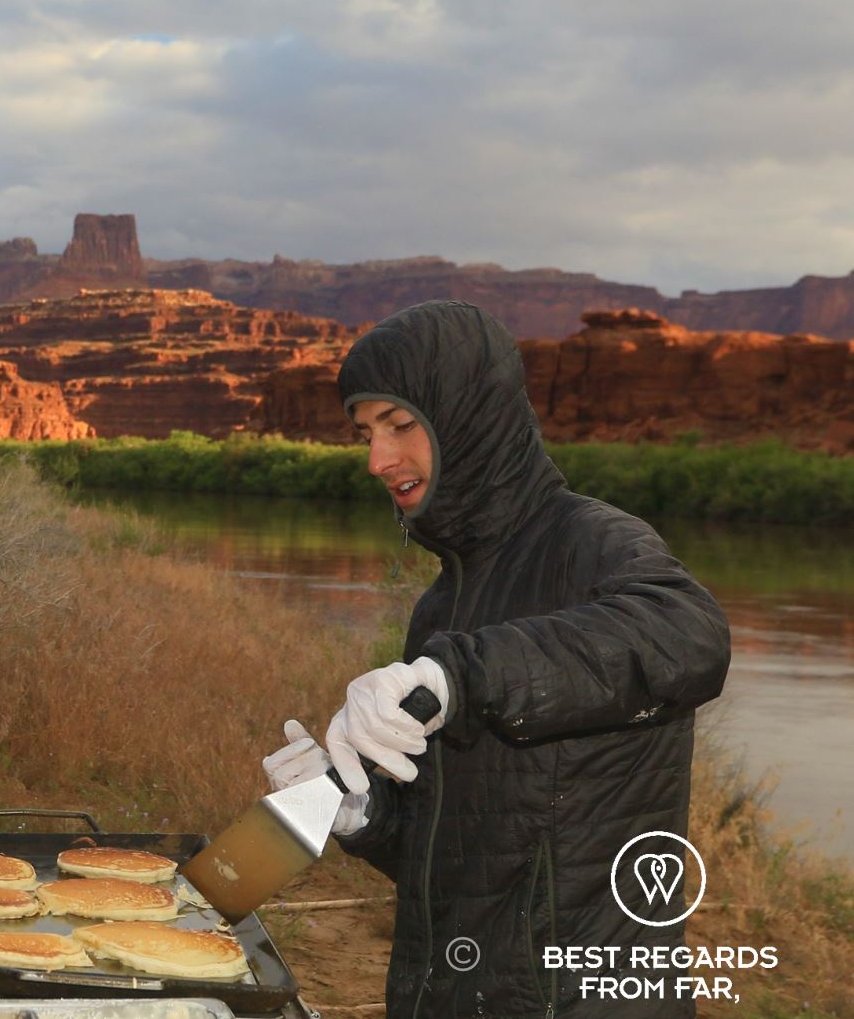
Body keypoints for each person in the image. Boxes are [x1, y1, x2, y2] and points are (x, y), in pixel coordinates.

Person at [262, 300, 730, 1018]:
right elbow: (451, 854)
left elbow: (689, 634)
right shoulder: (441, 606)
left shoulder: (593, 539)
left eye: (400, 425)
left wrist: (463, 675)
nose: (377, 461)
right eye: (364, 433)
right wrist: (358, 812)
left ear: (467, 417)